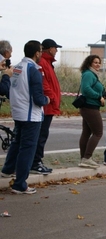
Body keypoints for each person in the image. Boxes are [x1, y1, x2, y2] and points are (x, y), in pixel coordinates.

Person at [1, 40, 50, 194]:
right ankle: (20, 183)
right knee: (27, 148)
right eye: (41, 50)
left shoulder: (17, 68)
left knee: (17, 142)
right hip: (31, 115)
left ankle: (8, 169)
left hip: (18, 112)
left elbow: (11, 89)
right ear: (37, 53)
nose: (41, 53)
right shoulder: (33, 70)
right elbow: (38, 98)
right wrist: (47, 100)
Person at [30, 39, 62, 175]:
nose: (57, 51)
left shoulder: (47, 62)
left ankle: (36, 161)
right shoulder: (43, 63)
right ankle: (35, 162)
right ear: (50, 49)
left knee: (42, 134)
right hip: (46, 105)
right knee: (41, 135)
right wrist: (53, 98)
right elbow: (44, 84)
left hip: (49, 105)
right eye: (56, 48)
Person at [77, 55, 106, 169]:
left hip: (89, 106)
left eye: (99, 62)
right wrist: (99, 97)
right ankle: (87, 157)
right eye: (95, 62)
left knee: (86, 132)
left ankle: (84, 158)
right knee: (98, 132)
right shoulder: (89, 74)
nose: (98, 64)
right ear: (89, 64)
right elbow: (86, 89)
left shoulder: (91, 74)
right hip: (90, 107)